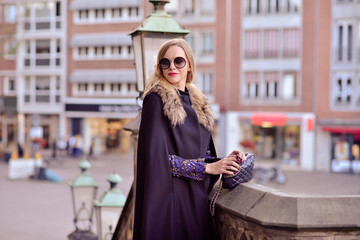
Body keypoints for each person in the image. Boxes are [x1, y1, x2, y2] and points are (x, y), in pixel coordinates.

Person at [133, 38, 245, 240]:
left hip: (196, 201)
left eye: (178, 61)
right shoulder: (155, 100)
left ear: (189, 65)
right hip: (171, 204)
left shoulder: (198, 104)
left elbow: (201, 155)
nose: (172, 67)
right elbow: (155, 160)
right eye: (165, 62)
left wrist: (222, 162)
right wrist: (206, 168)